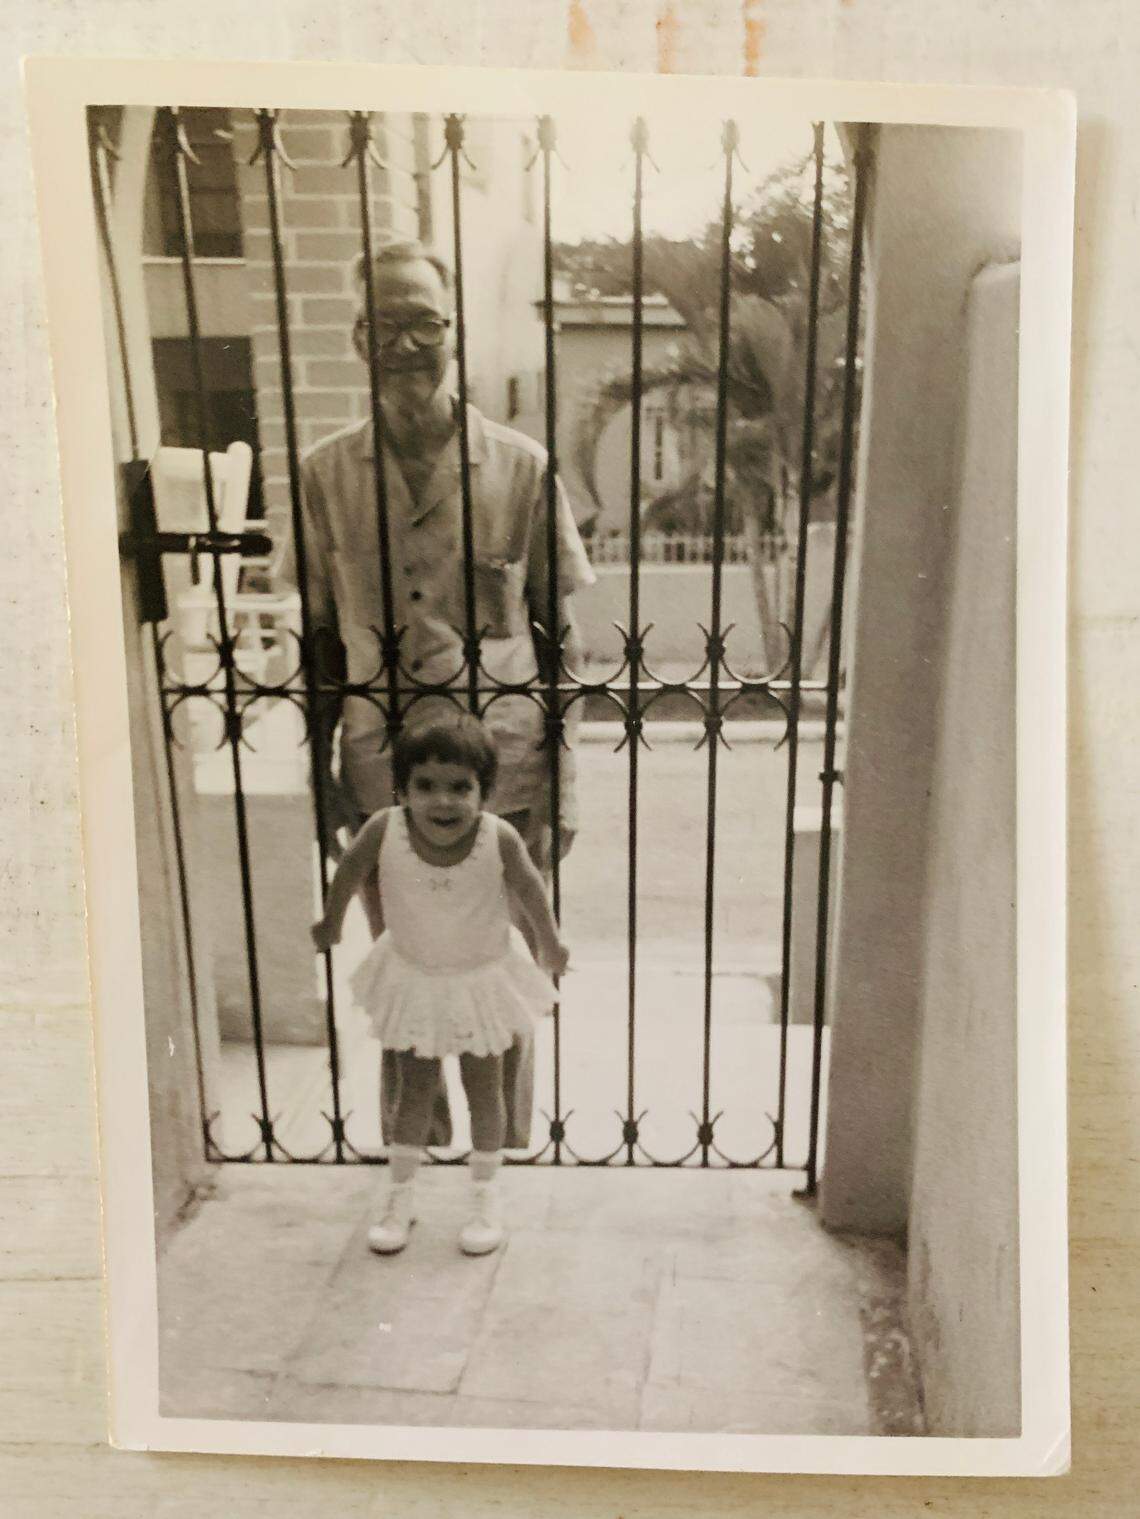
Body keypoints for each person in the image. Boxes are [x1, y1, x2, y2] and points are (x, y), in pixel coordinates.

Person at [279, 236, 594, 1148]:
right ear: (357, 338)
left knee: (502, 960)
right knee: (405, 957)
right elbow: (317, 642)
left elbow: (560, 640)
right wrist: (320, 777)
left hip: (506, 762)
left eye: (426, 321)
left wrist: (566, 781)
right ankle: (417, 1138)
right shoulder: (325, 474)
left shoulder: (522, 466)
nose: (407, 343)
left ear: (455, 330)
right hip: (382, 764)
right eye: (386, 323)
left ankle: (502, 1143)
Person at [311, 714, 569, 1256]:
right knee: (415, 1091)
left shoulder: (498, 837)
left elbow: (529, 890)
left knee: (485, 1089)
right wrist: (332, 922)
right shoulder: (384, 827)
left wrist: (550, 944)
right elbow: (352, 869)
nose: (443, 803)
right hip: (416, 978)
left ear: (484, 793)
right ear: (401, 790)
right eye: (425, 787)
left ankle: (484, 1194)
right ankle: (400, 1195)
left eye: (460, 788)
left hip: (480, 979)